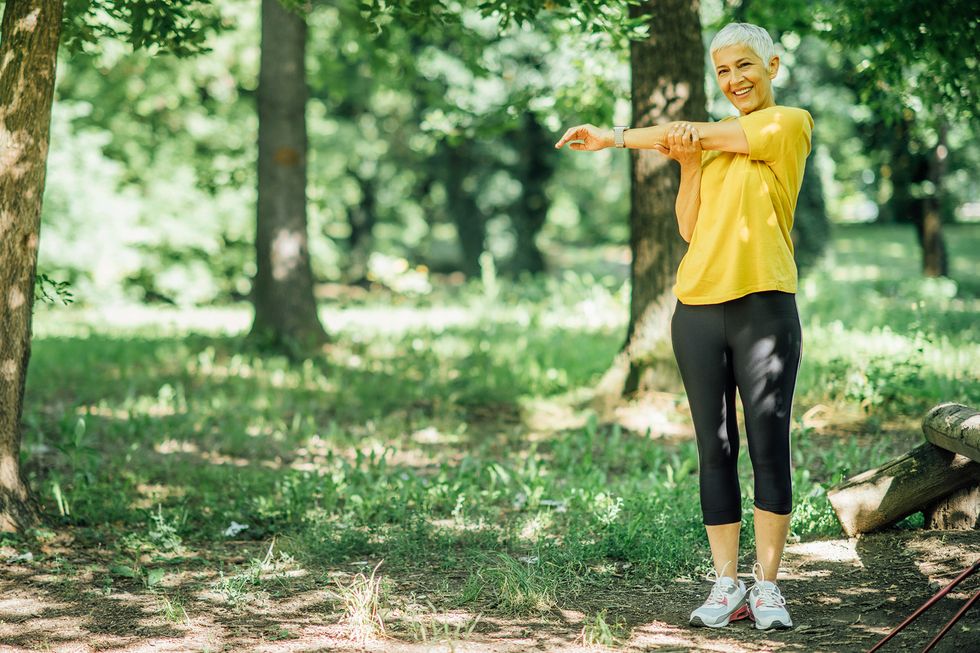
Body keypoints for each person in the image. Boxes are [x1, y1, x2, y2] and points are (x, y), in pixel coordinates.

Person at [554, 22, 813, 631]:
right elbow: (691, 228)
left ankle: (768, 586)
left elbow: (698, 130)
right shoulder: (716, 146)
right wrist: (690, 166)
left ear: (772, 65)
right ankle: (726, 583)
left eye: (744, 66)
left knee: (769, 446)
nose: (734, 81)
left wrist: (613, 137)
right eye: (722, 71)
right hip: (697, 309)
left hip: (764, 305)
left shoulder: (785, 124)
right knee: (714, 448)